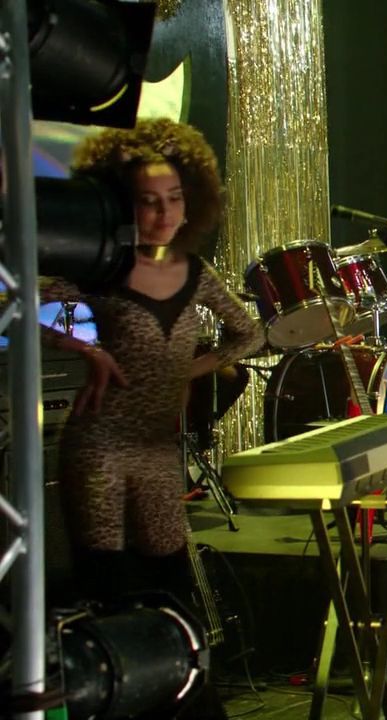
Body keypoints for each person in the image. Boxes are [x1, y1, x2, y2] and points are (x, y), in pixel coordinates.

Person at [41, 119, 264, 717]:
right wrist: (85, 349)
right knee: (109, 590)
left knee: (170, 590)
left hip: (157, 451)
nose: (164, 214)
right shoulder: (100, 271)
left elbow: (250, 334)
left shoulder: (196, 274)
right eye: (148, 201)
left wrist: (189, 369)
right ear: (123, 204)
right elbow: (20, 309)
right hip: (101, 446)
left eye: (174, 198)